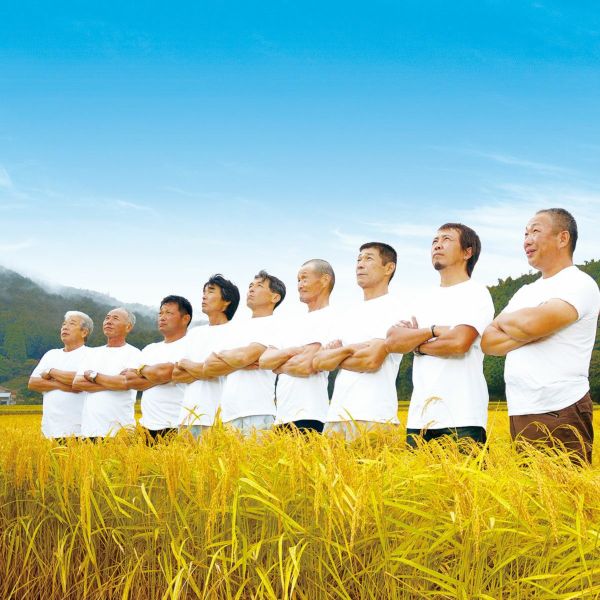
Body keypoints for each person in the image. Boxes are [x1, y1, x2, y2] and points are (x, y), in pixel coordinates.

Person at [482, 208, 600, 464]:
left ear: (563, 238)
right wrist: (532, 329)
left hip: (561, 408)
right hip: (521, 409)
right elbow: (488, 342)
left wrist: (510, 323)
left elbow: (531, 324)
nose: (527, 240)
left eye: (535, 231)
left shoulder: (579, 283)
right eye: (525, 234)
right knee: (527, 489)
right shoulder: (525, 291)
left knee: (565, 488)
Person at [385, 223, 494, 446]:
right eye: (435, 241)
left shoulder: (476, 293)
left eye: (446, 239)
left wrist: (417, 345)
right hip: (419, 418)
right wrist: (433, 331)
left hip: (463, 416)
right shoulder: (422, 299)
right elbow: (393, 341)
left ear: (467, 252)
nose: (437, 245)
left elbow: (459, 342)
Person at [313, 242, 404, 440]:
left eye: (368, 258)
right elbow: (319, 362)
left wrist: (337, 357)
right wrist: (351, 349)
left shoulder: (395, 308)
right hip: (335, 416)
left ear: (389, 268)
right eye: (358, 259)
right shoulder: (348, 313)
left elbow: (370, 361)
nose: (360, 264)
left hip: (373, 416)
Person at [203, 270, 286, 435]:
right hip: (228, 414)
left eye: (259, 286)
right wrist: (241, 362)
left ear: (275, 297)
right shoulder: (234, 327)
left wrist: (226, 357)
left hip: (258, 412)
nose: (251, 289)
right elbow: (209, 367)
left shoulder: (276, 324)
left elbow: (244, 356)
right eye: (250, 286)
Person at [260, 259, 335, 433]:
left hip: (311, 415)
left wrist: (278, 366)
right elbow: (264, 361)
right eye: (298, 280)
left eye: (304, 278)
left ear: (325, 280)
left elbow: (305, 366)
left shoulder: (332, 317)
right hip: (282, 416)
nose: (300, 285)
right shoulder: (291, 323)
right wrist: (294, 351)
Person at [172, 275, 240, 438]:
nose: (204, 296)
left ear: (226, 301)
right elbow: (176, 375)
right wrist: (207, 369)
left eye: (210, 291)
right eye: (203, 292)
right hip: (186, 417)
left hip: (218, 418)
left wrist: (188, 365)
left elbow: (219, 369)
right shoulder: (194, 333)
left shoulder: (236, 331)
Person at [123, 295, 192, 442]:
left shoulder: (191, 345)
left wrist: (141, 370)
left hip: (177, 426)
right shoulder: (150, 349)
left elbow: (166, 372)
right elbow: (130, 380)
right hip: (146, 427)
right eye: (160, 313)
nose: (162, 317)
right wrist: (160, 375)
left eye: (169, 313)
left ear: (185, 319)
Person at [73, 307, 142, 439]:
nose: (109, 321)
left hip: (121, 432)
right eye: (107, 318)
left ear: (128, 327)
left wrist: (93, 376)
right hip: (90, 431)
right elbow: (77, 383)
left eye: (115, 318)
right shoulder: (92, 353)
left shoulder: (135, 354)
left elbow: (126, 383)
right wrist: (114, 382)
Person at [28, 311, 94, 439]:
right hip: (49, 431)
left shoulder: (91, 355)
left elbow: (80, 380)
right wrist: (61, 385)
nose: (65, 327)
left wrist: (51, 372)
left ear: (84, 332)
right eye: (64, 324)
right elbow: (33, 383)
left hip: (79, 431)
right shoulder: (51, 354)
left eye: (71, 324)